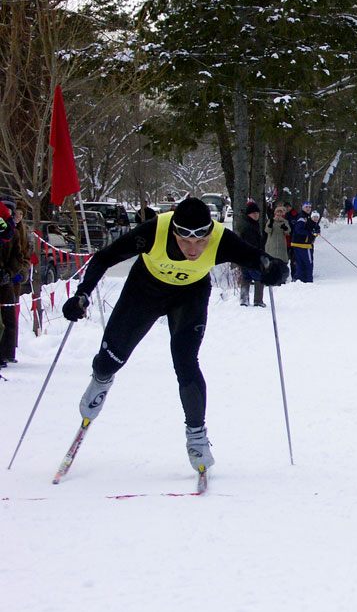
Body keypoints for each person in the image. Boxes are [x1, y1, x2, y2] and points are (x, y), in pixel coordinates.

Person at [60, 197, 288, 473]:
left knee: (185, 361)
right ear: (174, 232)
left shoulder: (220, 238)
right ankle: (100, 380)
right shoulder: (154, 231)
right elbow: (105, 257)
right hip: (144, 291)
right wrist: (82, 294)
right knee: (111, 359)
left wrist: (274, 270)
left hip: (189, 295)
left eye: (200, 242)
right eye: (185, 241)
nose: (193, 249)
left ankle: (196, 436)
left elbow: (261, 260)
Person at [0, 200, 27, 367]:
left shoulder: (14, 233)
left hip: (6, 280)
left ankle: (6, 353)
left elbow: (19, 257)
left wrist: (9, 273)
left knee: (9, 318)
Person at [238, 202, 266, 307]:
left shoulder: (252, 224)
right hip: (251, 256)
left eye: (257, 213)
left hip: (245, 257)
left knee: (246, 277)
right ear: (248, 214)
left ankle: (244, 299)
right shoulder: (249, 226)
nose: (256, 215)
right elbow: (252, 243)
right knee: (258, 278)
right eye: (253, 213)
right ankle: (258, 300)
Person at [291, 202, 316, 283]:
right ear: (303, 208)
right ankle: (308, 281)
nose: (308, 209)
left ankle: (300, 280)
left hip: (299, 244)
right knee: (307, 263)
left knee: (300, 264)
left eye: (309, 207)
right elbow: (298, 230)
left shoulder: (307, 217)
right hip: (303, 245)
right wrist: (309, 233)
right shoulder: (302, 218)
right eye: (306, 207)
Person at [265, 204, 291, 271]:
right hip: (271, 245)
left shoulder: (285, 221)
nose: (279, 214)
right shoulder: (271, 221)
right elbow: (267, 230)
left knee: (281, 262)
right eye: (278, 212)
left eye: (280, 212)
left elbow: (288, 231)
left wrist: (285, 228)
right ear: (275, 213)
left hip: (281, 245)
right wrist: (270, 224)